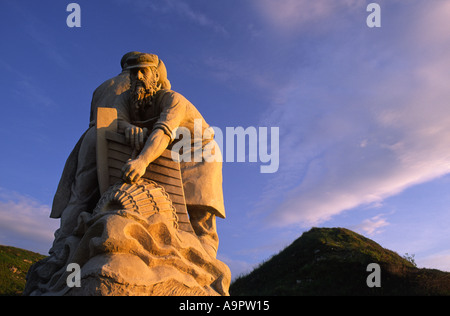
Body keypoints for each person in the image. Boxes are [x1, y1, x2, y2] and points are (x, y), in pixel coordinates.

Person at [115, 53, 225, 257]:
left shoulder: (173, 100)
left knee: (197, 210)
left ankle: (206, 257)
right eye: (133, 73)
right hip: (169, 152)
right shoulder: (126, 100)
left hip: (200, 151)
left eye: (143, 71)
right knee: (171, 205)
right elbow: (114, 120)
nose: (138, 76)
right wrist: (128, 127)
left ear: (155, 77)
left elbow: (163, 131)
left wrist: (142, 161)